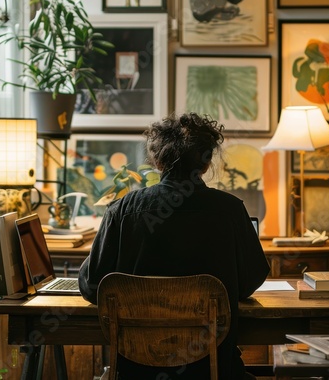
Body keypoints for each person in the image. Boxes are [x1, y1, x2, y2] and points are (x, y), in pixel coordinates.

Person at [79, 112, 270, 380]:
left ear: (157, 161)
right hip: (213, 371)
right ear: (205, 164)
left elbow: (91, 286)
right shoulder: (231, 211)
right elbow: (251, 280)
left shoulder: (121, 211)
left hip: (136, 373)